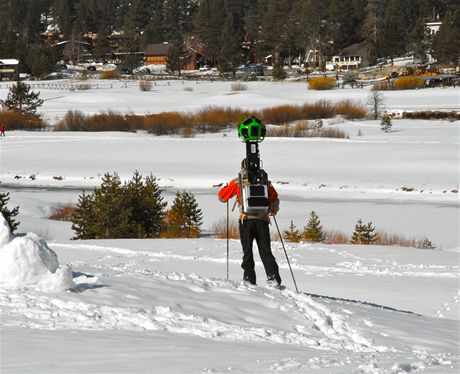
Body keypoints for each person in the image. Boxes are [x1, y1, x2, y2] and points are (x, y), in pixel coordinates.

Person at [218, 158, 282, 287]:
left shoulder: (238, 181)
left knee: (247, 251)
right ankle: (273, 278)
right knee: (265, 251)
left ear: (243, 167)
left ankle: (249, 279)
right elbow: (274, 199)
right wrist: (272, 210)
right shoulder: (265, 181)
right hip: (262, 220)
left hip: (246, 220)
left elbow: (222, 197)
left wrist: (226, 187)